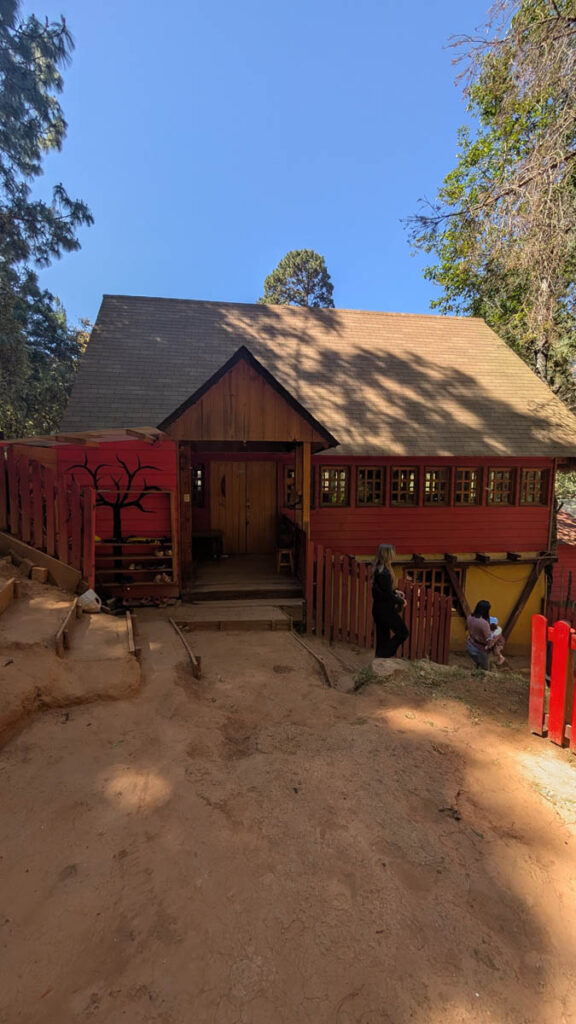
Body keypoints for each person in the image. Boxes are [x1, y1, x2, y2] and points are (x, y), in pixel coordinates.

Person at [372, 543, 409, 659]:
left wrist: (395, 592)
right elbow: (387, 595)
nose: (394, 555)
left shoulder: (379, 569)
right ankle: (383, 655)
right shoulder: (385, 573)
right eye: (393, 552)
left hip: (378, 609)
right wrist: (401, 602)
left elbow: (383, 591)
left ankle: (380, 658)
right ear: (388, 555)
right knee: (403, 633)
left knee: (383, 637)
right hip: (385, 610)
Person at [466, 600, 501, 670]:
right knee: (485, 669)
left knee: (478, 664)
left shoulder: (469, 617)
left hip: (470, 644)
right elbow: (489, 642)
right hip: (479, 650)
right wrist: (497, 636)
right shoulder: (483, 623)